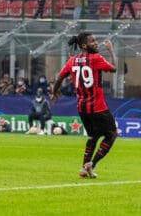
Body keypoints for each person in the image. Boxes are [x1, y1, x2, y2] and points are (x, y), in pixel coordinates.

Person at [51, 32, 118, 179]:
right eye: (93, 41)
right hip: (98, 106)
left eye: (96, 40)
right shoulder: (95, 58)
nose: (96, 43)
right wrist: (111, 50)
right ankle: (91, 164)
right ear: (84, 45)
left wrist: (54, 92)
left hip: (82, 107)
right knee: (112, 134)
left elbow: (60, 77)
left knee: (93, 136)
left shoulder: (72, 61)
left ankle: (83, 168)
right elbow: (114, 68)